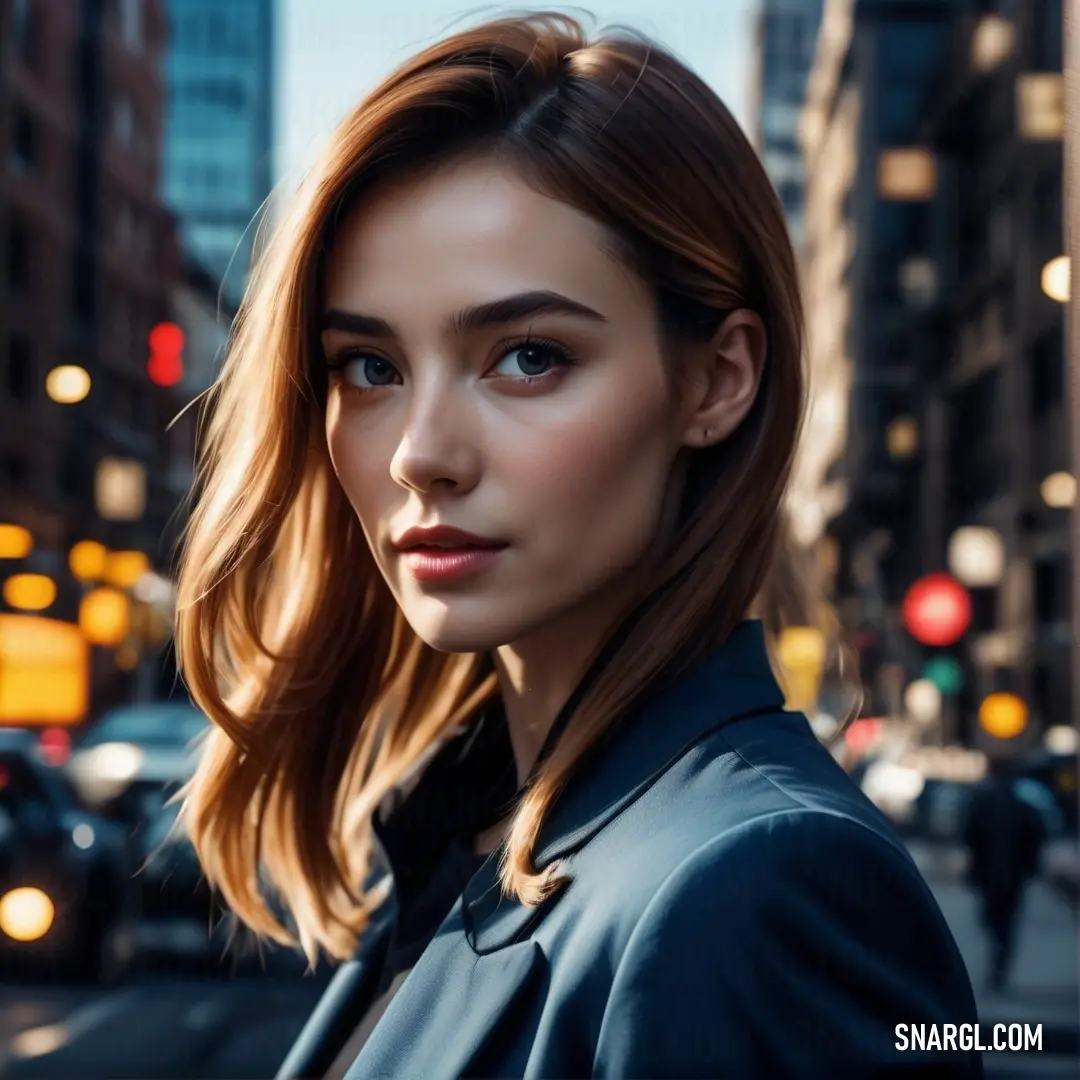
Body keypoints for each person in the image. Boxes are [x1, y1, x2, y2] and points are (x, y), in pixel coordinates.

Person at [173, 13, 982, 1078]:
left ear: (718, 380)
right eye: (370, 366)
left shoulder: (763, 887)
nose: (421, 455)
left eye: (526, 355)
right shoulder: (461, 837)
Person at [962, 756, 1049, 992]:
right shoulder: (1013, 802)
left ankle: (999, 963)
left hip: (1000, 871)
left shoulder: (998, 802)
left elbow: (970, 835)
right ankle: (1000, 959)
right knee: (1001, 919)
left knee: (997, 918)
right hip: (1004, 872)